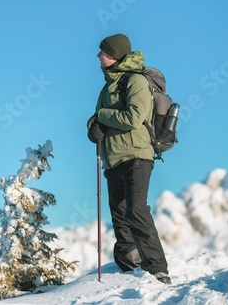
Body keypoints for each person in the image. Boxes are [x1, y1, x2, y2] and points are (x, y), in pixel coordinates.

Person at [87, 33, 171, 285]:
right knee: (120, 217)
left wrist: (101, 115)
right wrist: (94, 128)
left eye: (103, 52)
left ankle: (157, 268)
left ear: (114, 55)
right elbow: (105, 120)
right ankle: (128, 270)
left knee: (136, 210)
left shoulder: (135, 81)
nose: (99, 56)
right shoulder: (107, 86)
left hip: (136, 155)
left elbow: (134, 118)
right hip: (113, 160)